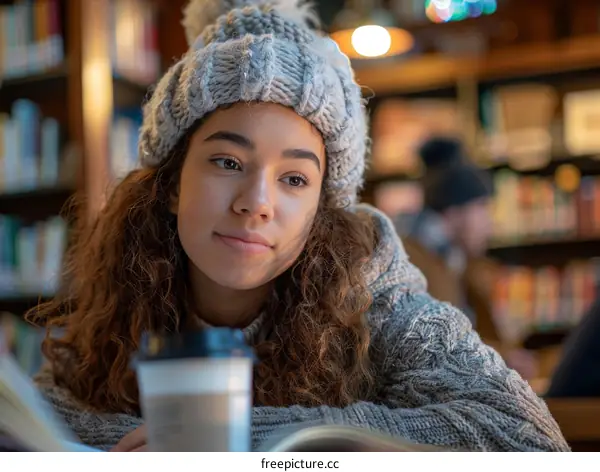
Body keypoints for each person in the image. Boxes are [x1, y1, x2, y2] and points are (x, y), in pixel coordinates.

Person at [27, 0, 567, 452]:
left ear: (321, 212)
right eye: (228, 163)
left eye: (293, 179)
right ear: (171, 184)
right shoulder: (113, 298)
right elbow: (41, 432)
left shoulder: (374, 293)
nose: (256, 203)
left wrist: (237, 440)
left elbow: (525, 438)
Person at [394, 137, 537, 380]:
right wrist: (503, 355)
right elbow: (439, 350)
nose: (489, 222)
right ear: (454, 212)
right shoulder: (416, 265)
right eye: (482, 207)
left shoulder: (452, 260)